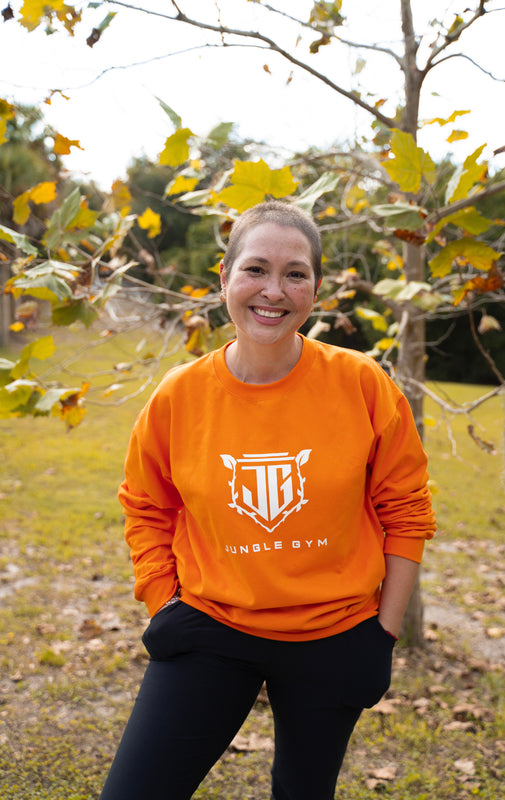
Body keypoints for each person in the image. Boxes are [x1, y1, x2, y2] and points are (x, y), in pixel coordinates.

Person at [99, 200, 436, 800]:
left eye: (295, 273)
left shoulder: (362, 385)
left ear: (316, 289)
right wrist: (161, 601)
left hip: (334, 635)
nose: (273, 291)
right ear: (224, 278)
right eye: (255, 269)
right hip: (211, 627)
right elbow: (146, 505)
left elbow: (406, 508)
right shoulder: (179, 397)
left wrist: (382, 635)